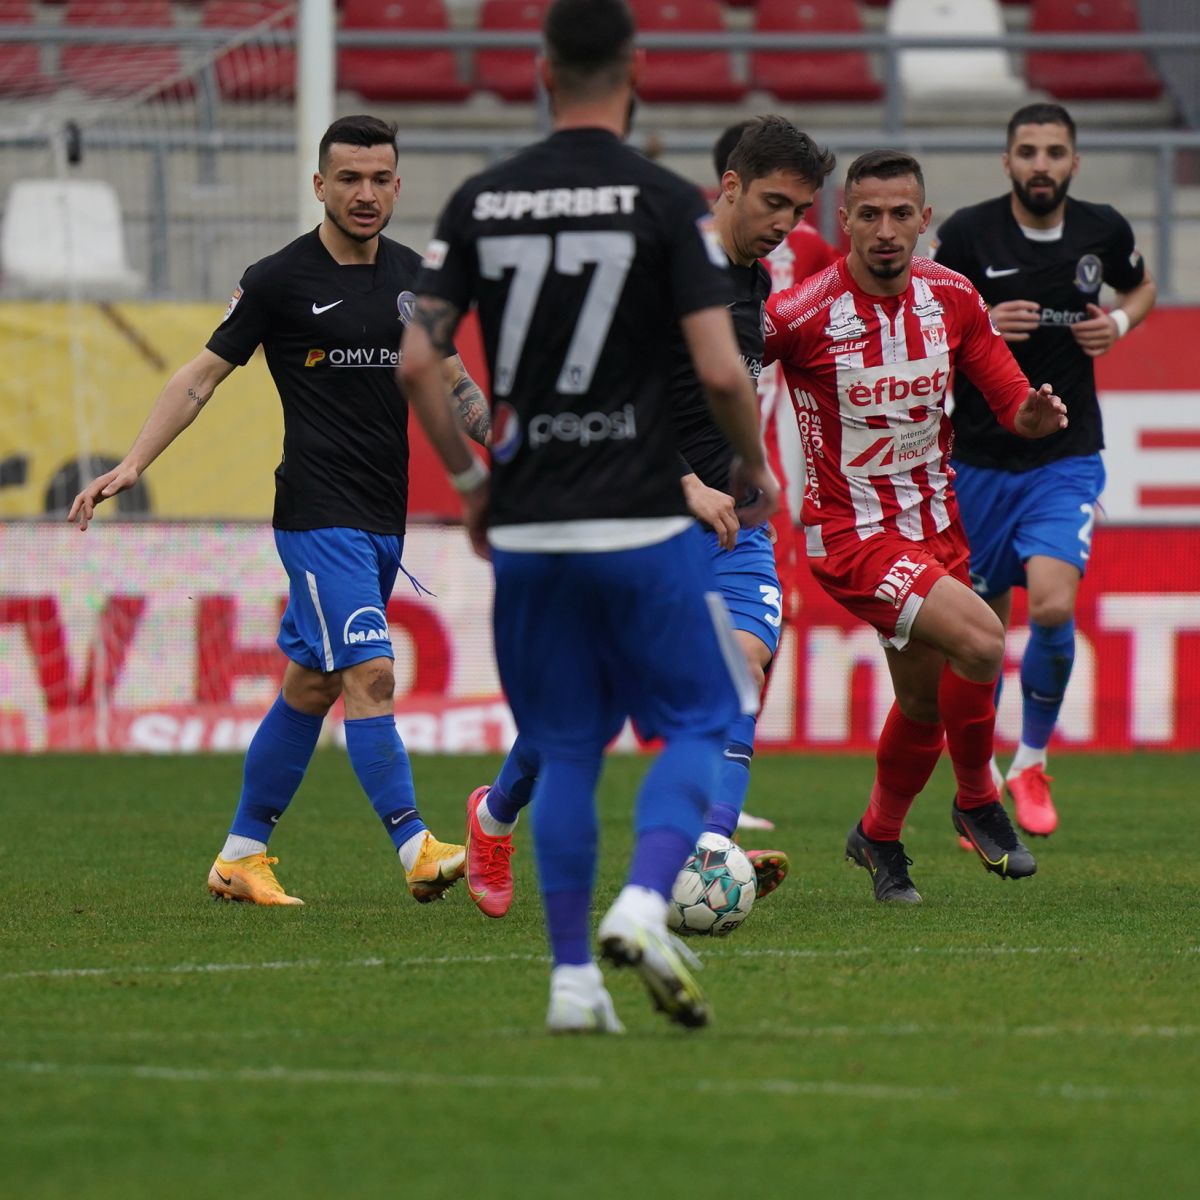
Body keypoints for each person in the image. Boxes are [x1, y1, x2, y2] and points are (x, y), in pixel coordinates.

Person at [399, 0, 778, 1030]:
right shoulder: (666, 205)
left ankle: (572, 985)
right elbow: (718, 369)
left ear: (540, 69)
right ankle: (648, 904)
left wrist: (475, 490)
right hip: (640, 515)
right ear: (637, 70)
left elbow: (418, 359)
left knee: (567, 747)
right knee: (705, 718)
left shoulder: (479, 200)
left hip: (528, 525)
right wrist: (749, 466)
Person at [68, 115, 491, 908]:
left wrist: (518, 448)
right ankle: (416, 844)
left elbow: (455, 382)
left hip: (380, 519)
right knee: (371, 671)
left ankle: (240, 855)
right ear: (320, 185)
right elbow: (199, 378)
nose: (365, 194)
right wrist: (131, 463)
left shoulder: (415, 277)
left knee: (310, 686)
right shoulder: (278, 279)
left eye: (379, 179)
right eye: (349, 179)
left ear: (398, 184)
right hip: (316, 511)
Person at [453, 116, 834, 929]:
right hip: (634, 511)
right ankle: (492, 817)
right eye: (773, 203)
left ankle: (710, 849)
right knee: (583, 706)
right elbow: (600, 399)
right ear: (728, 186)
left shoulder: (755, 281)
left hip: (734, 528)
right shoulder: (656, 268)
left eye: (799, 213)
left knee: (739, 673)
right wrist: (687, 479)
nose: (784, 226)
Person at [764, 150, 1068, 903]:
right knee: (984, 638)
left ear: (925, 221)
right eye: (869, 214)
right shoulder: (800, 315)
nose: (886, 230)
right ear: (846, 223)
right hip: (852, 535)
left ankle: (878, 836)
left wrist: (1031, 414)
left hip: (935, 527)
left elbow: (1008, 395)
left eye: (902, 214)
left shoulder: (953, 297)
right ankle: (976, 801)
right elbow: (716, 374)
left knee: (925, 704)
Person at [931, 103, 1157, 837]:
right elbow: (921, 315)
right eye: (1027, 151)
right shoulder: (967, 234)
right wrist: (981, 323)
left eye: (1054, 152)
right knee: (983, 635)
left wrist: (1118, 323)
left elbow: (1139, 288)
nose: (1040, 164)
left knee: (1055, 606)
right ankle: (980, 778)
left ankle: (1030, 759)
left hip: (1066, 453)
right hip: (980, 459)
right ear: (1007, 162)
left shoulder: (1105, 230)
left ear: (1073, 163)